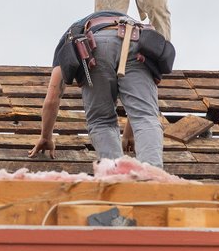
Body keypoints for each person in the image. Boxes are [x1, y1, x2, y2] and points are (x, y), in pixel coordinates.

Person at [29, 11, 176, 167]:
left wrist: (45, 137)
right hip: (138, 40)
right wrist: (128, 135)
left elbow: (52, 99)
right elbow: (138, 104)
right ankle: (152, 175)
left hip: (95, 45)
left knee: (102, 121)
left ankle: (117, 177)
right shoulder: (124, 19)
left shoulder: (70, 36)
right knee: (145, 115)